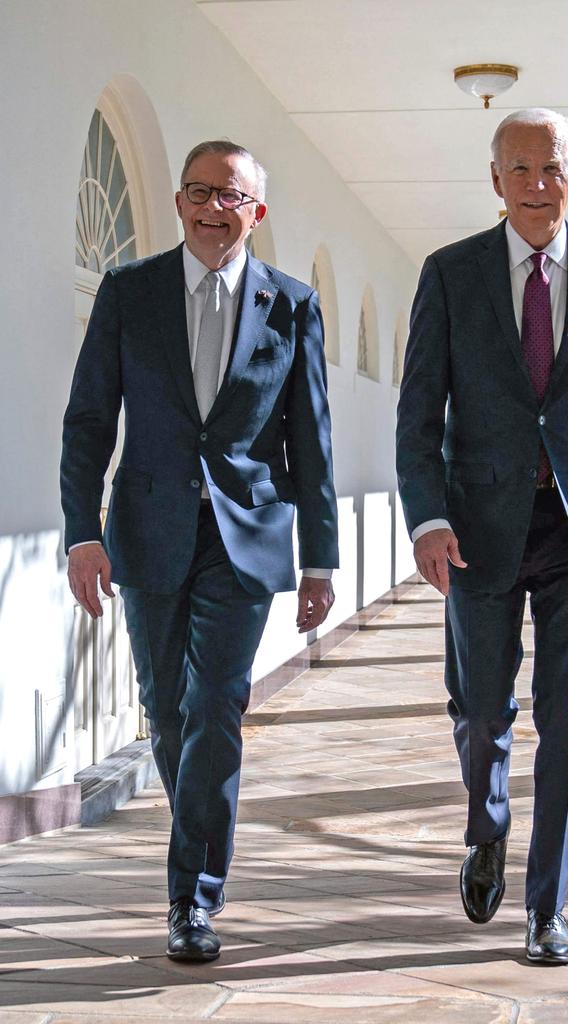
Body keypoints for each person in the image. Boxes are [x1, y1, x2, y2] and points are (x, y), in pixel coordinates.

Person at [396, 108, 568, 964]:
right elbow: (418, 412)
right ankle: (487, 826)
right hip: (477, 528)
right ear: (495, 180)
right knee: (482, 707)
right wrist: (429, 517)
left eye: (551, 168)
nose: (537, 185)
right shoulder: (450, 275)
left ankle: (546, 909)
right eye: (519, 169)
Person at [61, 140, 338, 962]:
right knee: (167, 708)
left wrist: (319, 560)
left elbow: (312, 441)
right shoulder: (128, 293)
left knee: (216, 704)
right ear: (181, 202)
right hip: (145, 531)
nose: (213, 208)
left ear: (257, 211)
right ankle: (198, 864)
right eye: (198, 192)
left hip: (245, 537)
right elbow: (87, 423)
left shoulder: (292, 305)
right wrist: (83, 531)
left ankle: (192, 898)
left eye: (231, 196)